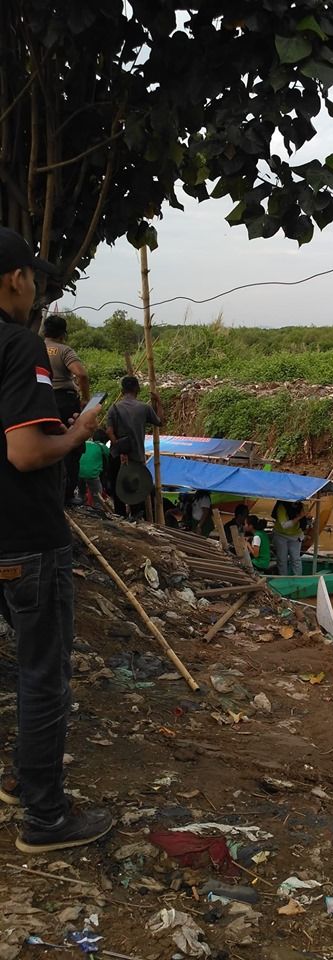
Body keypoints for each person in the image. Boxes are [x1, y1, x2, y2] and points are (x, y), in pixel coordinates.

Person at [0, 226, 112, 852]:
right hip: (27, 538)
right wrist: (77, 433)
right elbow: (25, 451)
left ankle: (21, 780)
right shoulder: (21, 346)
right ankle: (45, 818)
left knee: (22, 665)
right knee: (44, 673)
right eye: (34, 278)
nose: (36, 289)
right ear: (16, 279)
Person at [42, 313, 90, 505]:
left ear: (45, 331)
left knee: (45, 443)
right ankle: (68, 494)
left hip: (41, 400)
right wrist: (85, 398)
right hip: (64, 401)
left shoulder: (35, 347)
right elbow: (82, 374)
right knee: (72, 445)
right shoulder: (63, 350)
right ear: (63, 333)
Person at [105, 375, 163, 517]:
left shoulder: (114, 408)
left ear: (122, 390)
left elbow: (109, 432)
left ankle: (120, 516)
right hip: (136, 457)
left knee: (118, 490)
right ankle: (137, 519)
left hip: (117, 456)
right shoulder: (144, 408)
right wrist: (159, 402)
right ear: (137, 388)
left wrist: (119, 448)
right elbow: (160, 421)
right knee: (136, 491)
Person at [272, 500, 306, 576]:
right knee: (282, 559)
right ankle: (283, 579)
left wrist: (308, 518)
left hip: (296, 536)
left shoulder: (302, 507)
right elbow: (284, 525)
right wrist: (299, 517)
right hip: (281, 535)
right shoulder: (282, 507)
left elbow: (305, 522)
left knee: (296, 559)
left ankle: (298, 579)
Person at [78, 428, 110, 508]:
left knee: (81, 493)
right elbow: (108, 459)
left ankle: (80, 504)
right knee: (97, 495)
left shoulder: (86, 443)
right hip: (92, 475)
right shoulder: (102, 446)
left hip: (78, 473)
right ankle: (97, 509)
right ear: (104, 440)